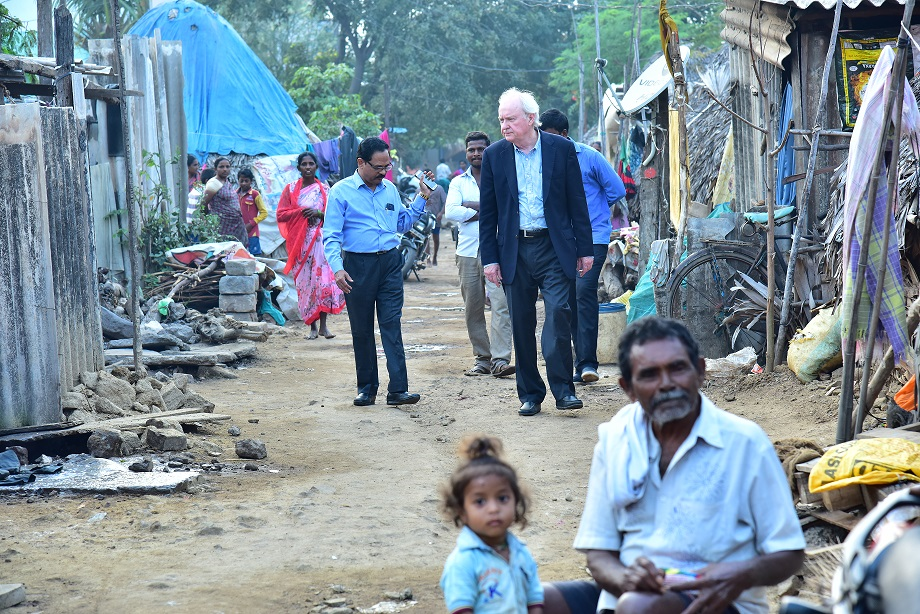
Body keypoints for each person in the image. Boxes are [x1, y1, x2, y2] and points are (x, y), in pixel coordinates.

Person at [544, 317, 806, 614]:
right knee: (536, 600)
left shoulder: (744, 443)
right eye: (649, 375)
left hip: (716, 602)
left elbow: (789, 553)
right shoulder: (615, 437)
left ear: (701, 372)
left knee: (639, 607)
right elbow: (599, 554)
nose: (666, 384)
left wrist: (739, 575)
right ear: (628, 388)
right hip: (626, 596)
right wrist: (628, 579)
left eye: (678, 368)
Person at [479, 87, 594, 417]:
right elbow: (489, 213)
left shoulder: (560, 149)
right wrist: (490, 259)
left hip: (553, 247)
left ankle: (564, 391)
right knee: (521, 322)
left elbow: (577, 201)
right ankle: (530, 394)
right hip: (513, 249)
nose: (504, 126)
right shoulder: (495, 155)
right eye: (501, 119)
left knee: (559, 313)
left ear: (531, 119)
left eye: (511, 119)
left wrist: (584, 249)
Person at [323, 137, 432, 407]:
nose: (383, 172)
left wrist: (422, 197)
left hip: (390, 264)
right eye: (378, 167)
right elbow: (331, 236)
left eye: (388, 167)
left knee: (391, 324)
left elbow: (402, 223)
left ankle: (398, 390)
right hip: (357, 267)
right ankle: (367, 388)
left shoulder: (390, 189)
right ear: (361, 163)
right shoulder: (341, 192)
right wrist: (337, 269)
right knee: (361, 329)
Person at [539, 109, 626, 385]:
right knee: (565, 299)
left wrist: (596, 212)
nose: (546, 142)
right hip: (560, 240)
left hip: (593, 237)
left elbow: (616, 189)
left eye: (551, 136)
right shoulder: (542, 160)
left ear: (564, 135)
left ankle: (588, 363)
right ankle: (575, 363)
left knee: (583, 291)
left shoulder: (589, 157)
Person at [440, 435, 544, 613]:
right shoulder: (463, 562)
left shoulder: (519, 551)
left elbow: (534, 599)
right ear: (462, 511)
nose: (493, 509)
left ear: (516, 502)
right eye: (480, 501)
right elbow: (462, 609)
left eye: (502, 498)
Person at [445, 131, 515, 378]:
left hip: (497, 251)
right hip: (466, 252)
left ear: (489, 150)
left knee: (501, 305)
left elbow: (508, 210)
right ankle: (482, 359)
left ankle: (500, 360)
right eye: (471, 150)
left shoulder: (501, 177)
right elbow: (451, 211)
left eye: (480, 149)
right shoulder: (458, 182)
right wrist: (488, 210)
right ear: (466, 153)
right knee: (472, 308)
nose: (476, 154)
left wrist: (471, 207)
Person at [278, 151, 345, 340]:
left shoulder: (324, 189)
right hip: (299, 243)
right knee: (305, 284)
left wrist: (318, 213)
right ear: (298, 167)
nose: (308, 167)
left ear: (316, 166)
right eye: (304, 164)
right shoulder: (290, 190)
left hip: (319, 241)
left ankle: (324, 326)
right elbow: (281, 214)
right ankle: (312, 327)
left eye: (311, 164)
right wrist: (300, 213)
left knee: (321, 282)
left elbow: (333, 215)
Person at [198, 157, 247, 244]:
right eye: (221, 167)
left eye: (227, 167)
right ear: (215, 169)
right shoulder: (214, 183)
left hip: (235, 225)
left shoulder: (227, 182)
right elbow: (203, 204)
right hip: (222, 227)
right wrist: (209, 218)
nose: (225, 169)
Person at [237, 168, 268, 256]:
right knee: (240, 256)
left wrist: (252, 223)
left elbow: (264, 213)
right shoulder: (235, 194)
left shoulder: (255, 194)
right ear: (238, 181)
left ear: (251, 181)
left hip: (252, 232)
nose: (244, 183)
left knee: (255, 257)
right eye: (241, 181)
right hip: (238, 232)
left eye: (246, 181)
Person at [426, 181, 446, 267]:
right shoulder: (419, 189)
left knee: (436, 238)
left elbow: (445, 202)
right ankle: (428, 258)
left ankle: (435, 257)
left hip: (436, 218)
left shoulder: (439, 189)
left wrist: (441, 213)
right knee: (426, 239)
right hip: (424, 218)